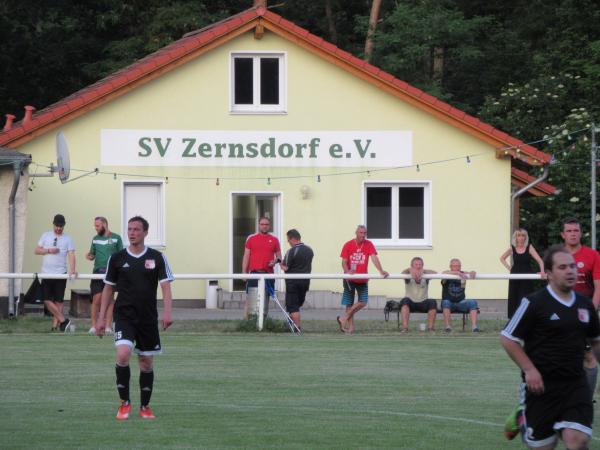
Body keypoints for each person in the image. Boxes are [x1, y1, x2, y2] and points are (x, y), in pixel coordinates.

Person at [500, 245, 600, 449]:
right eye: (563, 267)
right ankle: (523, 414)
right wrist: (529, 370)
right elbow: (508, 338)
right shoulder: (534, 303)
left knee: (577, 439)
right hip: (541, 388)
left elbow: (596, 341)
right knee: (544, 446)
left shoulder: (585, 304)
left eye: (572, 266)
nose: (570, 271)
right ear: (549, 274)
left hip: (575, 384)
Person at [96, 216, 173, 420]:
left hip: (147, 318)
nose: (132, 233)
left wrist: (167, 312)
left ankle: (145, 406)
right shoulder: (118, 258)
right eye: (129, 229)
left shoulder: (157, 257)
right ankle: (125, 402)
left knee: (146, 362)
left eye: (137, 229)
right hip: (124, 316)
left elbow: (166, 286)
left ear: (145, 233)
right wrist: (101, 318)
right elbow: (108, 289)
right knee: (122, 355)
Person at [561, 217, 600, 399]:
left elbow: (598, 286)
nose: (573, 234)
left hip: (585, 314)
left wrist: (591, 311)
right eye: (569, 231)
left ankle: (586, 400)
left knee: (588, 356)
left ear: (580, 233)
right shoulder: (557, 255)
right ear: (563, 234)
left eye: (575, 230)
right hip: (561, 314)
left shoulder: (592, 255)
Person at [337, 225, 388, 333]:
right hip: (349, 279)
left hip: (363, 278)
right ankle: (350, 328)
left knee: (363, 302)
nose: (363, 235)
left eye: (365, 233)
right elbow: (344, 262)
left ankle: (343, 318)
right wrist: (347, 272)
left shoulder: (368, 244)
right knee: (349, 304)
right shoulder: (348, 244)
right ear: (356, 233)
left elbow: (374, 258)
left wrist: (381, 270)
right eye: (361, 233)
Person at [34, 213, 76, 332]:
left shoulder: (68, 238)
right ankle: (63, 320)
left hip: (61, 273)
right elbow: (36, 250)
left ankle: (55, 326)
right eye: (57, 226)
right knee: (46, 300)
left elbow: (72, 254)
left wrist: (72, 270)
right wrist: (48, 250)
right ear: (53, 224)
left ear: (64, 226)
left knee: (59, 300)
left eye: (61, 226)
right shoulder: (45, 235)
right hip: (46, 273)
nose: (58, 228)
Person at [86, 216, 123, 335]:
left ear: (105, 225)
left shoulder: (116, 238)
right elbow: (92, 255)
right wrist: (89, 256)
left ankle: (108, 326)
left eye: (97, 225)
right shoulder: (95, 239)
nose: (95, 228)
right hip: (98, 272)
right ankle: (94, 326)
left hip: (112, 272)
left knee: (110, 300)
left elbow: (121, 255)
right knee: (96, 298)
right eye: (95, 225)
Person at [241, 217, 282, 320]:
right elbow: (246, 257)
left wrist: (275, 262)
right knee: (251, 298)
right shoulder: (251, 239)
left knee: (265, 297)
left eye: (266, 224)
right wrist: (244, 273)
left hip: (268, 274)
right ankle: (247, 322)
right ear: (259, 225)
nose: (264, 226)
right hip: (254, 273)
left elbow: (279, 257)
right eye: (262, 224)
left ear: (269, 226)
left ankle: (263, 321)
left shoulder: (274, 240)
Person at [499, 228, 544, 319]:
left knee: (526, 298)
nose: (521, 237)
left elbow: (540, 261)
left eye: (523, 235)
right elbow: (502, 258)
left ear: (525, 237)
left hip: (527, 276)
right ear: (515, 237)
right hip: (514, 276)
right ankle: (513, 320)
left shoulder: (529, 247)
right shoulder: (512, 248)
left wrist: (542, 271)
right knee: (514, 298)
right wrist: (510, 268)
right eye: (519, 235)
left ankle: (527, 319)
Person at [279, 229, 313, 331]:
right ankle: (290, 325)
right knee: (297, 304)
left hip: (293, 282)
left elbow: (286, 267)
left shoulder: (291, 251)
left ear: (292, 238)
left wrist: (280, 263)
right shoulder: (309, 250)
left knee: (293, 305)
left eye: (288, 240)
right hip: (305, 281)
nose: (288, 242)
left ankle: (298, 328)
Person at [398, 257, 437, 333]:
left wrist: (423, 271)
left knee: (433, 302)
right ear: (412, 266)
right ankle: (405, 328)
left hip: (423, 301)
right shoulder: (408, 276)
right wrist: (409, 270)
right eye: (416, 264)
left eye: (420, 264)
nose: (418, 266)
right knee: (404, 301)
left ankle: (430, 328)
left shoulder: (426, 275)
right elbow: (402, 273)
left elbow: (436, 273)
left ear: (422, 266)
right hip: (411, 302)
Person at [440, 258, 480, 333]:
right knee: (445, 302)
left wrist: (473, 272)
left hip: (461, 302)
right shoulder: (447, 274)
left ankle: (474, 327)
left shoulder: (463, 273)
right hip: (449, 303)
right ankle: (448, 327)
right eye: (455, 266)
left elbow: (470, 273)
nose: (457, 268)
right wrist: (457, 273)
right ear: (450, 266)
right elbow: (443, 273)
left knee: (473, 302)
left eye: (458, 266)